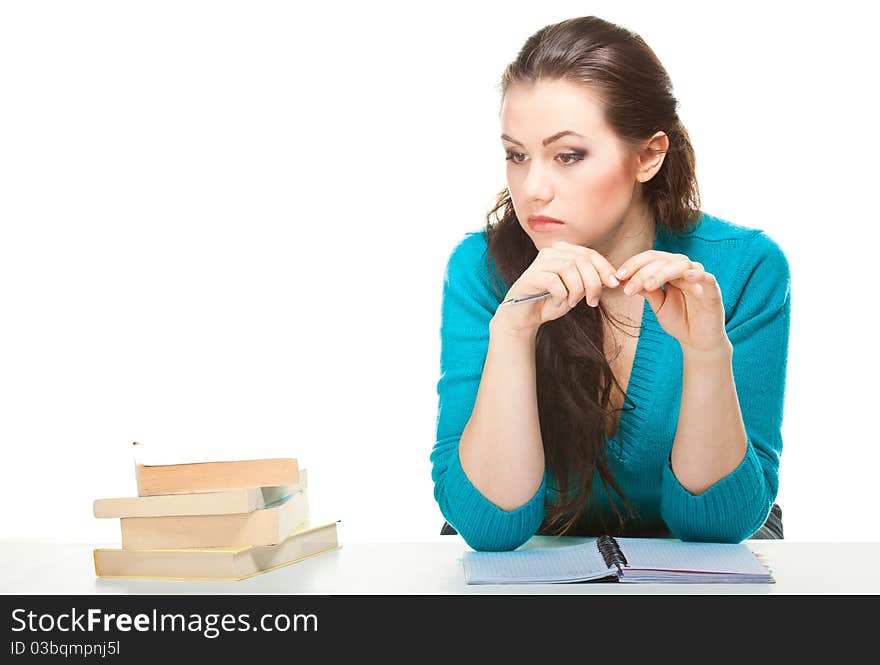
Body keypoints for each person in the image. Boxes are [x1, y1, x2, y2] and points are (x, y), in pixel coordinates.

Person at [431, 16, 790, 552]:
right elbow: (488, 526)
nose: (533, 189)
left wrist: (706, 351)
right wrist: (512, 335)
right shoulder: (479, 269)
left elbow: (718, 527)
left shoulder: (744, 269)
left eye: (568, 156)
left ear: (647, 155)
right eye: (516, 155)